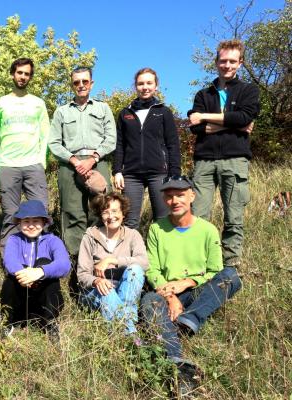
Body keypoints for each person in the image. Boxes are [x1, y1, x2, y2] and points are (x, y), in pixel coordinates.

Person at [140, 176, 241, 396]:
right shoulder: (157, 229)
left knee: (231, 276)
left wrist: (189, 281)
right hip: (166, 292)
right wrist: (170, 296)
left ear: (192, 196)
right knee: (148, 301)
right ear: (164, 199)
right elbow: (152, 270)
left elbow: (215, 270)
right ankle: (177, 363)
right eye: (169, 196)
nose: (175, 200)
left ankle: (189, 319)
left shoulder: (208, 230)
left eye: (180, 195)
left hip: (198, 292)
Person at [188, 39, 260, 268]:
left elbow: (244, 117)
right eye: (223, 60)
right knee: (198, 216)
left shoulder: (248, 90)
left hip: (235, 159)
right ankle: (200, 262)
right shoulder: (203, 94)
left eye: (232, 61)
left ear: (240, 62)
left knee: (234, 217)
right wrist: (235, 124)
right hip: (204, 161)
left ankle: (230, 265)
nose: (227, 65)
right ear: (216, 62)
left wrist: (206, 117)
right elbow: (195, 126)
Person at [48, 66, 116, 257]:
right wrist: (74, 160)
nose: (81, 85)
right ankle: (76, 260)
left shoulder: (103, 108)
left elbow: (111, 138)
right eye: (76, 82)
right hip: (69, 166)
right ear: (72, 85)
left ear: (91, 84)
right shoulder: (61, 112)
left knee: (102, 209)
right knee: (73, 212)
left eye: (85, 81)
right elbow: (53, 142)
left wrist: (93, 158)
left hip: (98, 162)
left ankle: (100, 256)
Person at [0, 58, 50, 247]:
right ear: (12, 74)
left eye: (27, 73)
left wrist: (42, 161)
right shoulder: (0, 103)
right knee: (10, 214)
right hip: (7, 165)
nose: (23, 77)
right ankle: (9, 257)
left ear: (30, 77)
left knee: (41, 211)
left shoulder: (38, 103)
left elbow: (45, 134)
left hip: (33, 164)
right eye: (19, 72)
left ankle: (43, 253)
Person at [113, 68, 181, 229]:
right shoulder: (125, 113)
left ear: (156, 86)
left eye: (149, 83)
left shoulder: (164, 112)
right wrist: (117, 171)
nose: (145, 87)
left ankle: (160, 254)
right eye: (141, 83)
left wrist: (175, 175)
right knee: (129, 222)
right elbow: (120, 144)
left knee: (163, 219)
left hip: (159, 173)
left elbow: (173, 145)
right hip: (131, 175)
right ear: (135, 87)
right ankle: (132, 254)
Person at [77, 193, 147, 335]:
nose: (111, 216)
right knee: (106, 291)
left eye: (115, 211)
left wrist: (111, 260)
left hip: (125, 288)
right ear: (100, 215)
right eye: (105, 212)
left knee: (135, 270)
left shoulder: (133, 235)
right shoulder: (90, 236)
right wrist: (96, 281)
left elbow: (144, 262)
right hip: (96, 290)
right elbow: (82, 274)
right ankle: (130, 337)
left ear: (123, 213)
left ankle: (121, 333)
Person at [0, 200, 70, 337]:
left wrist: (40, 272)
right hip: (21, 296)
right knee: (10, 279)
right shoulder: (14, 239)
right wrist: (25, 274)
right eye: (26, 221)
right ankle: (7, 321)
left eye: (36, 221)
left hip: (43, 300)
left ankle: (50, 323)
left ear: (44, 222)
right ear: (19, 223)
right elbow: (9, 261)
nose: (31, 226)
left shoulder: (53, 240)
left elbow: (64, 264)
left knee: (46, 265)